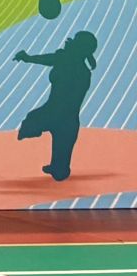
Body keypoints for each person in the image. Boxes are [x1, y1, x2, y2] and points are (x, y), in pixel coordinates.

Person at [16, 30, 99, 182]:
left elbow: (50, 60)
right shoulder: (78, 67)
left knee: (60, 172)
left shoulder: (69, 63)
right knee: (31, 124)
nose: (70, 41)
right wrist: (28, 58)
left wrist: (27, 58)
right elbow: (49, 59)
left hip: (58, 115)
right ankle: (57, 164)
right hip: (67, 119)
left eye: (75, 41)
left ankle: (57, 166)